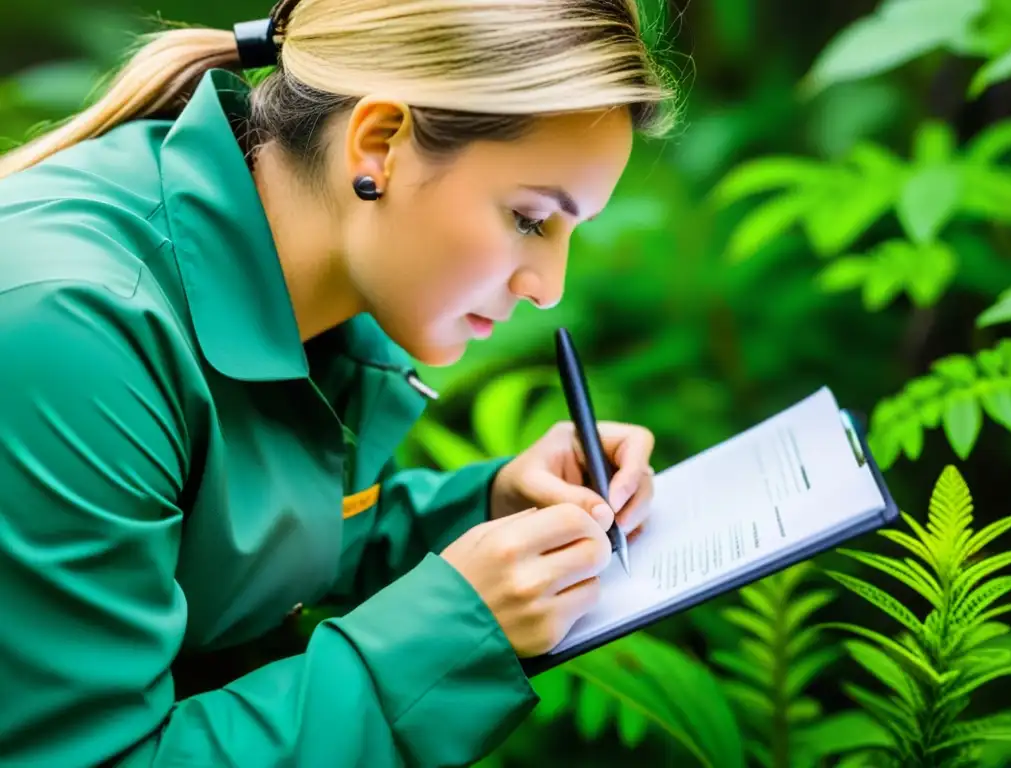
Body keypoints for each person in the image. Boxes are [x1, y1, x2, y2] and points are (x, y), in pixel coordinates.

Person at [0, 0, 678, 765]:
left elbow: (223, 550)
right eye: (529, 219)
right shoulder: (75, 335)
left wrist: (485, 509)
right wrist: (455, 629)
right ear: (378, 146)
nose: (550, 286)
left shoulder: (307, 296)